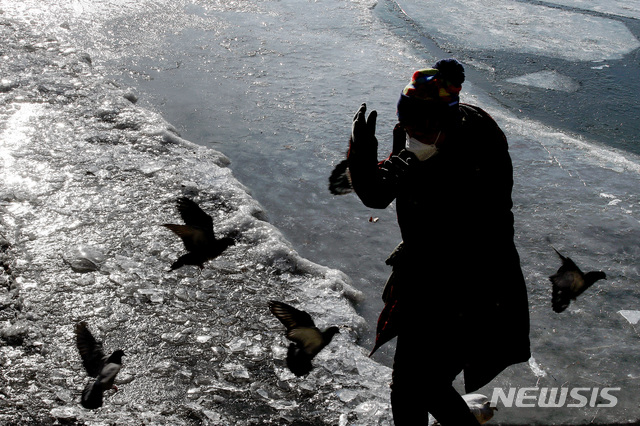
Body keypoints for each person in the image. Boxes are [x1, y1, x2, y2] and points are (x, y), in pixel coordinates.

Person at [346, 59, 531, 425]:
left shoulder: (477, 150)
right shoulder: (424, 137)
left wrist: (418, 179)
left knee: (422, 384)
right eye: (408, 125)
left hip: (475, 287)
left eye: (425, 127)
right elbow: (379, 193)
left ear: (447, 120)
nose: (415, 135)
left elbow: (472, 221)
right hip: (430, 281)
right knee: (413, 385)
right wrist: (363, 154)